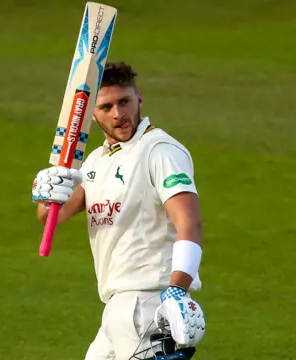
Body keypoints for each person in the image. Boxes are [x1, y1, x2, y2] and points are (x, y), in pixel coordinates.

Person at [31, 61, 206, 360]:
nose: (118, 114)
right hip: (116, 308)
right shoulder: (97, 162)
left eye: (124, 102)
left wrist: (178, 290)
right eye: (106, 106)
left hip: (151, 301)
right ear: (92, 115)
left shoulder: (159, 151)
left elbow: (189, 222)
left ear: (138, 99)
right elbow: (52, 216)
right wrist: (48, 192)